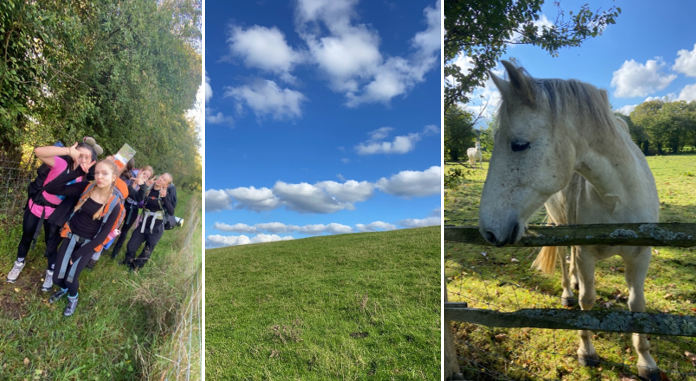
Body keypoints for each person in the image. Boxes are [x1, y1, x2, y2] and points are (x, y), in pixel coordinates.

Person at [8, 140, 100, 286]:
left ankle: (50, 271)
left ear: (92, 161)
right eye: (80, 155)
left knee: (51, 244)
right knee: (26, 237)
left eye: (86, 157)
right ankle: (19, 262)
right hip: (36, 207)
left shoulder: (84, 179)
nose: (82, 159)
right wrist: (68, 151)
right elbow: (38, 151)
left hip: (55, 215)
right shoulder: (61, 164)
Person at [42, 159, 123, 316]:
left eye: (105, 173)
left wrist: (77, 254)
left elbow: (101, 237)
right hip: (70, 236)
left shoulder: (115, 205)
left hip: (89, 244)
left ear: (114, 177)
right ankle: (64, 290)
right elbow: (51, 188)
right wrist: (77, 172)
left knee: (71, 279)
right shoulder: (86, 187)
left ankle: (73, 297)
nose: (99, 176)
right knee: (58, 279)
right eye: (97, 172)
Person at [124, 172, 175, 270]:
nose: (161, 179)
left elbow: (171, 211)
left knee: (147, 250)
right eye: (161, 177)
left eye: (164, 180)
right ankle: (128, 261)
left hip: (156, 228)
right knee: (131, 245)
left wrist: (165, 198)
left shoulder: (164, 194)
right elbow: (138, 198)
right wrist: (143, 185)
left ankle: (135, 267)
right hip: (144, 224)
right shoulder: (148, 188)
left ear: (167, 185)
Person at [109, 164, 153, 261]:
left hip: (133, 209)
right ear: (141, 170)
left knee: (124, 231)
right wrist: (135, 183)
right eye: (144, 173)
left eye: (147, 176)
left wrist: (143, 186)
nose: (144, 176)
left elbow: (140, 199)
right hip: (123, 204)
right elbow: (127, 193)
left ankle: (116, 250)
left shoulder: (145, 186)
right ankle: (106, 243)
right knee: (114, 225)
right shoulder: (130, 177)